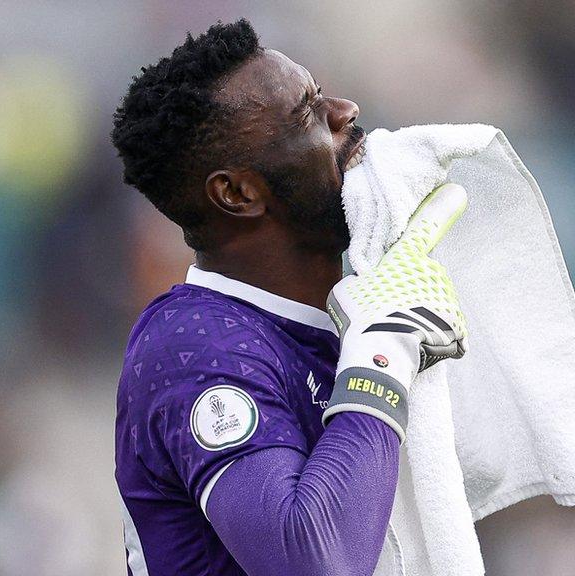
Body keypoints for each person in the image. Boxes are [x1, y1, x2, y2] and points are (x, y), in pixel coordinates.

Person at [111, 18, 467, 576]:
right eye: (308, 112)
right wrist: (384, 356)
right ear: (239, 193)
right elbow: (311, 561)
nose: (346, 111)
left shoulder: (335, 323)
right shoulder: (195, 345)